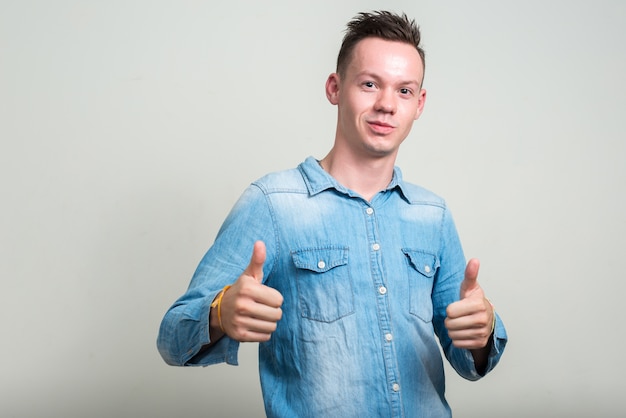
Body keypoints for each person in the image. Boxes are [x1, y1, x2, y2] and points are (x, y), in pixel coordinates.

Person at [157, 10, 507, 418]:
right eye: (370, 84)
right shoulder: (273, 203)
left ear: (420, 104)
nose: (386, 105)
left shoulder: (432, 215)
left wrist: (482, 333)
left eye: (404, 91)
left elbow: (470, 361)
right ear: (335, 88)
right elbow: (172, 337)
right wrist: (220, 312)